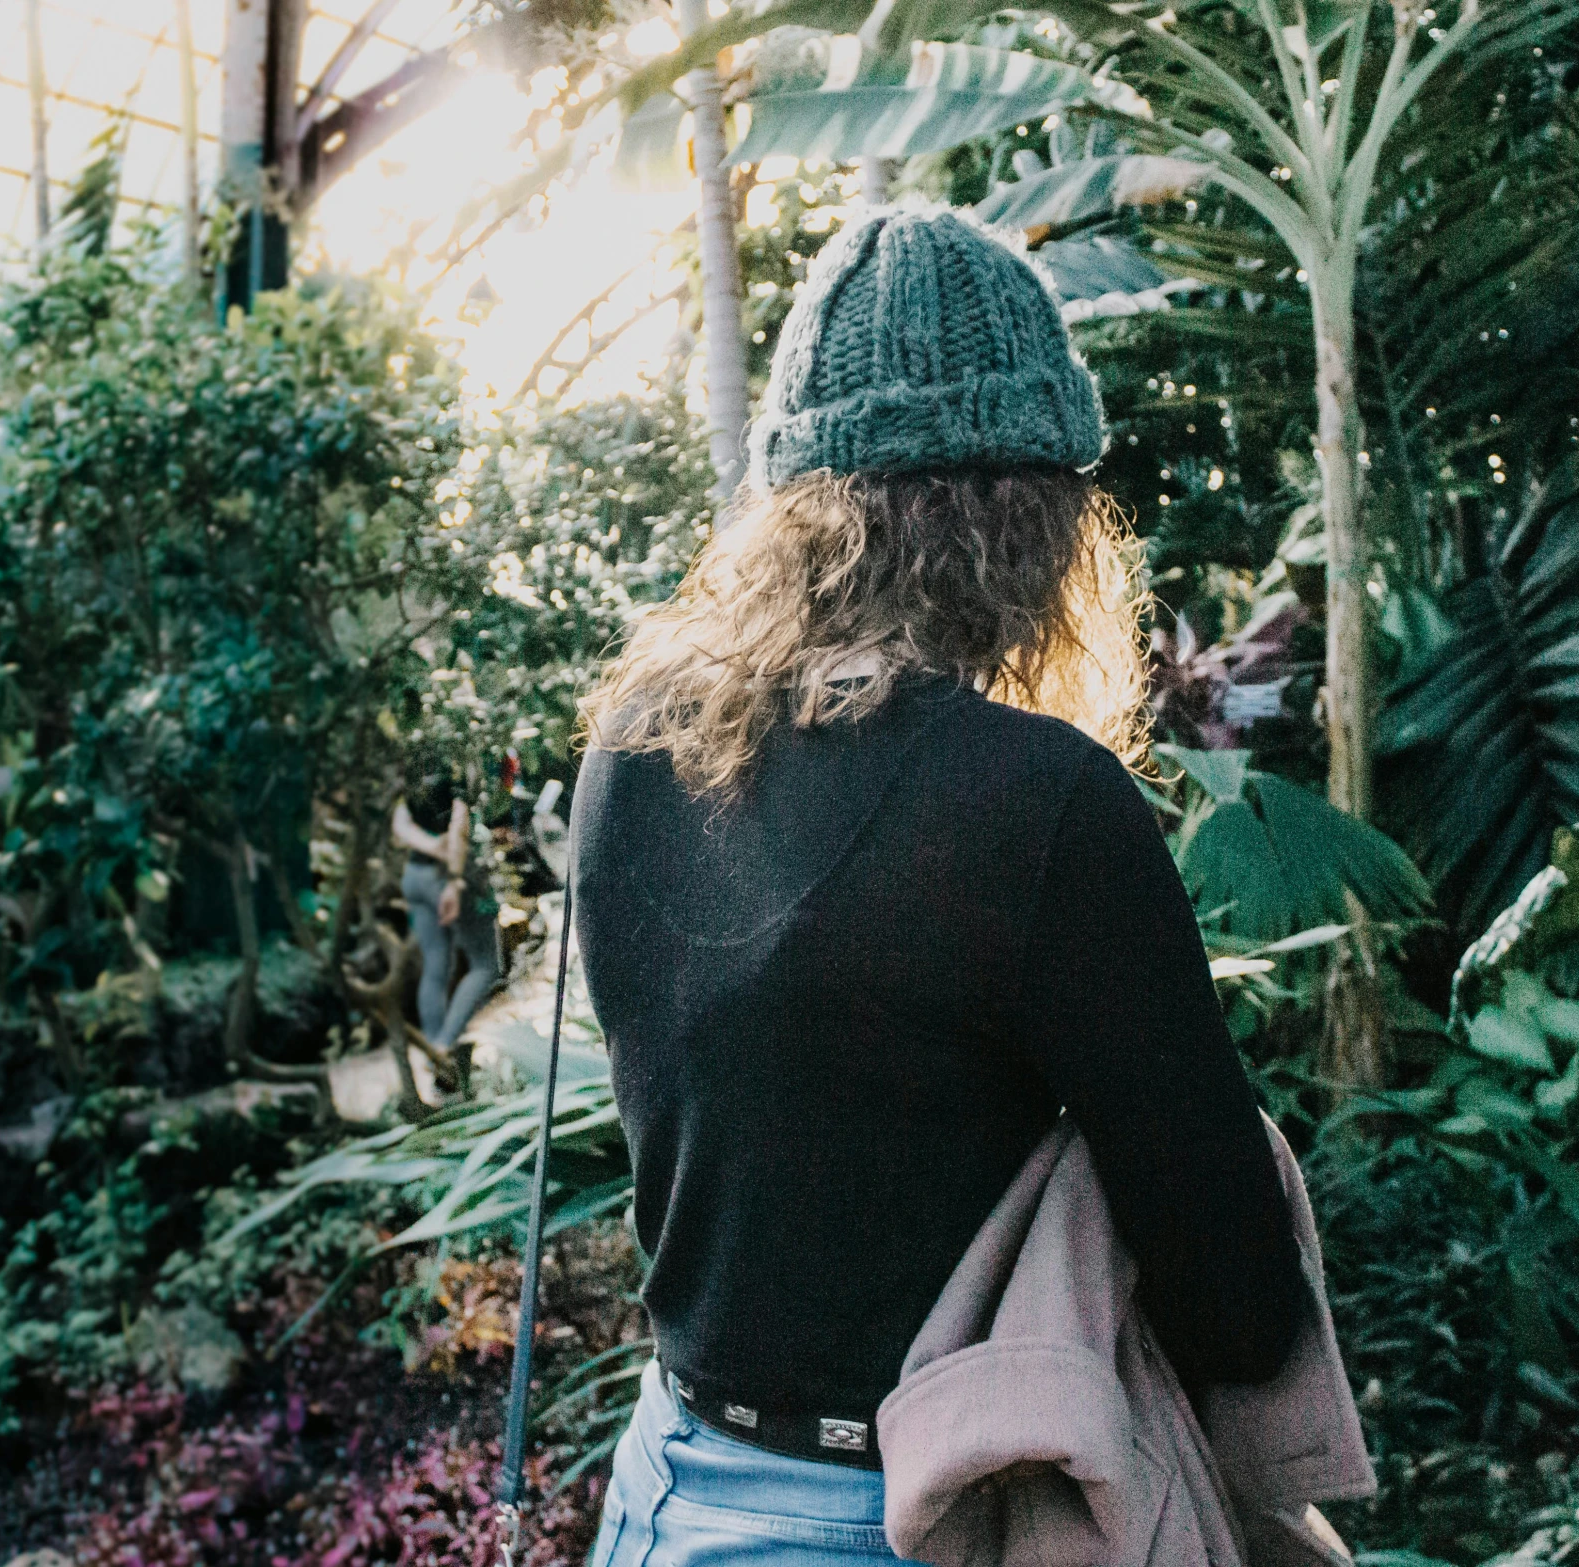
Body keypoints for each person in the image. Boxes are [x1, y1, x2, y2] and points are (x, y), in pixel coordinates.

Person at [569, 209, 1309, 1567]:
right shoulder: (1040, 804)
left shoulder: (627, 755)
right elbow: (1240, 1306)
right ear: (1042, 517)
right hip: (911, 1522)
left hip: (665, 1493)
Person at [393, 769, 502, 1053]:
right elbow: (459, 829)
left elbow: (401, 827)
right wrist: (454, 881)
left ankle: (433, 1048)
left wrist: (430, 846)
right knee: (486, 965)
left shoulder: (410, 787)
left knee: (436, 966)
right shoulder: (453, 779)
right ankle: (445, 1043)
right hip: (446, 878)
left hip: (415, 875)